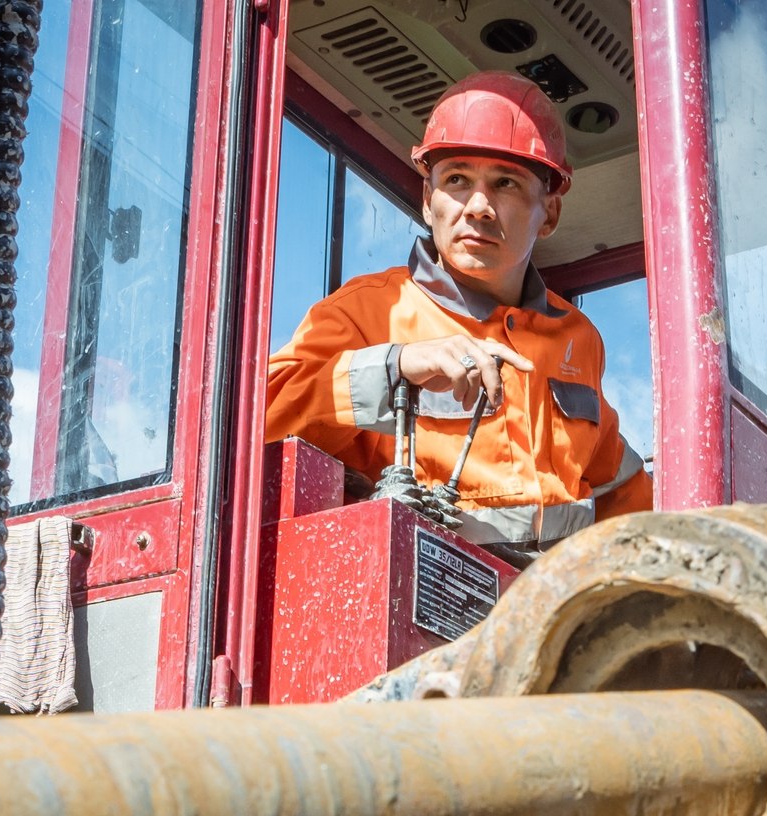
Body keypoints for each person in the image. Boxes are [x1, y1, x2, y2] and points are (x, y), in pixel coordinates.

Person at [265, 73, 651, 550]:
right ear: (429, 202)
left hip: (553, 591)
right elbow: (258, 420)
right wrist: (398, 364)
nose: (479, 207)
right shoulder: (369, 310)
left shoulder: (577, 338)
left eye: (506, 183)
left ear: (549, 214)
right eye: (457, 180)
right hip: (424, 586)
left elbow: (618, 484)